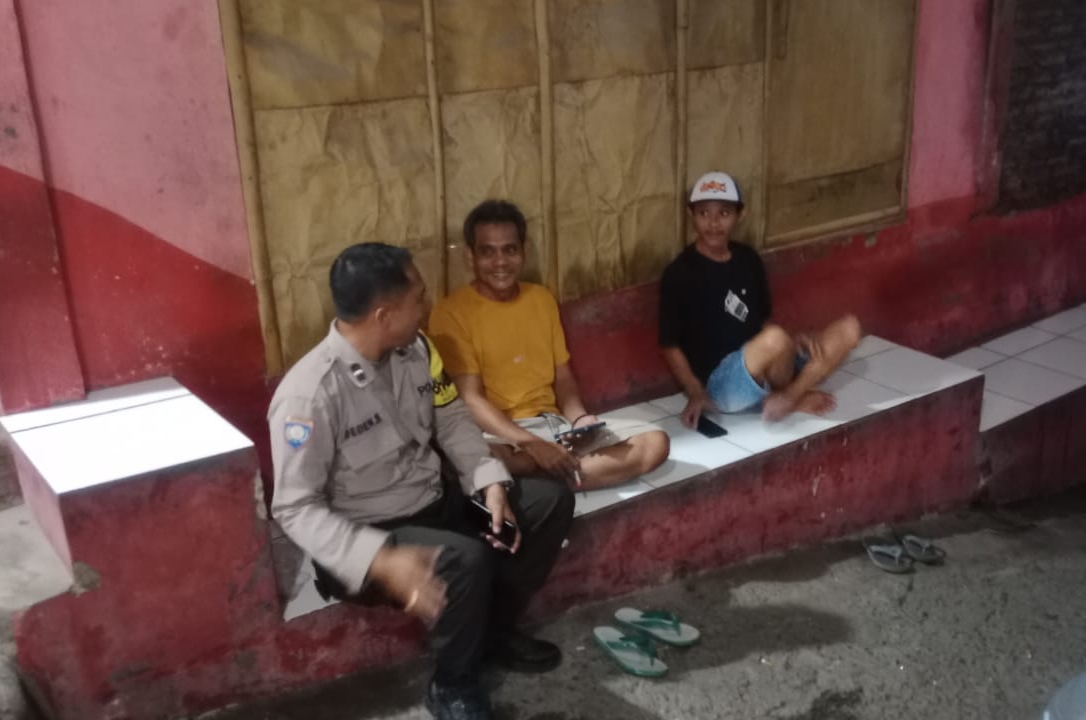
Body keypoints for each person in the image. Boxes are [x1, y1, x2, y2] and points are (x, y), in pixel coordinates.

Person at [269, 243, 573, 720]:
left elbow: (451, 419)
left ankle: (491, 635)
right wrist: (380, 559)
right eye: (418, 298)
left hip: (433, 501)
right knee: (465, 558)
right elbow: (294, 507)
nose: (426, 306)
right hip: (369, 533)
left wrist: (489, 481)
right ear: (384, 315)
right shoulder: (309, 396)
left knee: (547, 503)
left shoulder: (416, 349)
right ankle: (452, 683)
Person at [429, 200, 670, 490]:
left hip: (552, 427)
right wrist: (529, 443)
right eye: (488, 252)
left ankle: (540, 477)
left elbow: (563, 378)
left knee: (654, 443)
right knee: (486, 457)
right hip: (500, 435)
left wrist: (580, 420)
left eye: (510, 250)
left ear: (524, 251)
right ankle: (553, 473)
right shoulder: (451, 312)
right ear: (470, 256)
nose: (500, 262)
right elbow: (471, 399)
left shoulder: (541, 299)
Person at [659, 171, 862, 426]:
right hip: (723, 383)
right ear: (691, 215)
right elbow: (670, 345)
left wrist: (791, 342)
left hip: (767, 360)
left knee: (849, 328)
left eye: (724, 213)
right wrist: (696, 392)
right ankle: (795, 395)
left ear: (740, 215)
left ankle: (788, 396)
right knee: (775, 338)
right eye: (704, 213)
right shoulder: (680, 273)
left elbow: (761, 321)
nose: (713, 223)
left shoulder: (748, 259)